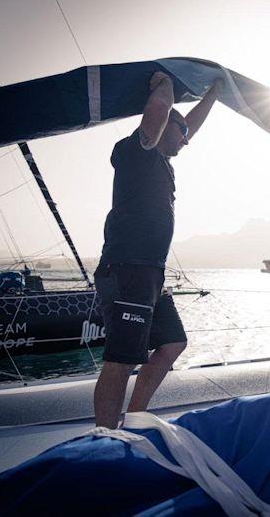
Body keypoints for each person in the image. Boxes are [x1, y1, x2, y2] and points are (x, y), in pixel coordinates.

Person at [93, 71, 223, 428]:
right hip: (127, 270)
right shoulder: (137, 152)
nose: (186, 141)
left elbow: (186, 125)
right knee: (120, 361)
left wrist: (214, 93)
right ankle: (105, 438)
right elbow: (160, 110)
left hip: (151, 274)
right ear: (164, 127)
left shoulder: (164, 161)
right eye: (180, 134)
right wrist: (163, 83)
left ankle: (134, 419)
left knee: (172, 343)